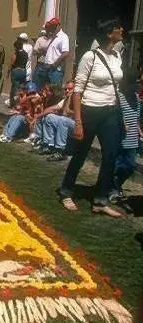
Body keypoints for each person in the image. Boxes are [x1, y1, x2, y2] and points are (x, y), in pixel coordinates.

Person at [59, 19, 124, 217]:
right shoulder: (90, 56)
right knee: (81, 153)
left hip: (111, 111)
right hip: (90, 111)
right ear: (108, 33)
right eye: (118, 29)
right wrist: (78, 121)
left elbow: (117, 86)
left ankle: (100, 200)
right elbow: (77, 90)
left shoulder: (117, 56)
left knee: (111, 154)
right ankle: (66, 191)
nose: (122, 31)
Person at [110, 69, 142, 204]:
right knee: (115, 165)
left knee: (129, 166)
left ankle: (116, 184)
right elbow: (115, 113)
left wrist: (140, 132)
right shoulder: (118, 96)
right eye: (134, 84)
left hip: (133, 139)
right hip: (119, 138)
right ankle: (113, 190)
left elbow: (136, 118)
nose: (137, 86)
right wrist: (122, 123)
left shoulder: (136, 98)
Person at [34, 18, 70, 88]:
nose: (52, 28)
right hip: (47, 67)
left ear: (59, 26)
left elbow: (66, 52)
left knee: (54, 91)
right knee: (45, 90)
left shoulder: (63, 37)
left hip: (55, 69)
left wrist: (55, 64)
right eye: (51, 26)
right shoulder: (54, 37)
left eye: (54, 26)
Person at [9, 40, 28, 107]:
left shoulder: (16, 53)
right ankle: (21, 104)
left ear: (16, 46)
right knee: (21, 88)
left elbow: (12, 62)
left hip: (16, 71)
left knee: (15, 88)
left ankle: (14, 104)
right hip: (23, 71)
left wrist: (8, 71)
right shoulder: (26, 53)